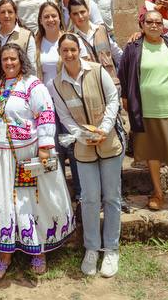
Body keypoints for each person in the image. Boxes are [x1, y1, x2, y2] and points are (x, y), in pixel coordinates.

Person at [0, 42, 74, 278]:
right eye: (4, 60)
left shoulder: (33, 85)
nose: (9, 63)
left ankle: (38, 250)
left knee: (28, 201)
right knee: (2, 201)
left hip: (25, 156)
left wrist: (44, 147)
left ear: (21, 60)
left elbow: (45, 114)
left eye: (13, 58)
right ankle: (5, 254)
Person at [50, 34, 122, 278]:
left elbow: (113, 100)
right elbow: (65, 116)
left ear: (79, 50)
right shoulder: (56, 84)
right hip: (83, 146)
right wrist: (81, 135)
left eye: (73, 49)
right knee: (90, 198)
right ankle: (91, 248)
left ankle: (111, 248)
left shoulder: (98, 71)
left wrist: (106, 126)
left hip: (109, 141)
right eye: (65, 50)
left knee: (111, 196)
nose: (69, 54)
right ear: (60, 53)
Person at [117, 8, 168, 210]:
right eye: (149, 22)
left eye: (158, 22)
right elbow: (123, 70)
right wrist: (125, 96)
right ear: (142, 25)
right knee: (153, 153)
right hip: (146, 109)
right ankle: (157, 193)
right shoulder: (134, 46)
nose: (154, 25)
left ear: (163, 26)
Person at [35, 1, 87, 199]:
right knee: (53, 149)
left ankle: (81, 194)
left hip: (69, 101)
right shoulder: (37, 43)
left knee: (74, 147)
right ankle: (58, 195)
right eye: (46, 16)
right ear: (40, 20)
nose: (50, 20)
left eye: (54, 16)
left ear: (60, 18)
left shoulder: (68, 40)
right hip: (46, 106)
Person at [66, 0, 118, 83]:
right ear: (70, 16)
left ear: (88, 11)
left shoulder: (101, 30)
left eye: (82, 12)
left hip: (111, 83)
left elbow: (116, 52)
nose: (80, 16)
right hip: (90, 86)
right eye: (75, 14)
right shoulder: (70, 38)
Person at [0, 0, 36, 76]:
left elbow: (32, 66)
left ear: (16, 15)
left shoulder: (26, 36)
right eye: (3, 12)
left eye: (10, 12)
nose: (6, 15)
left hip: (20, 84)